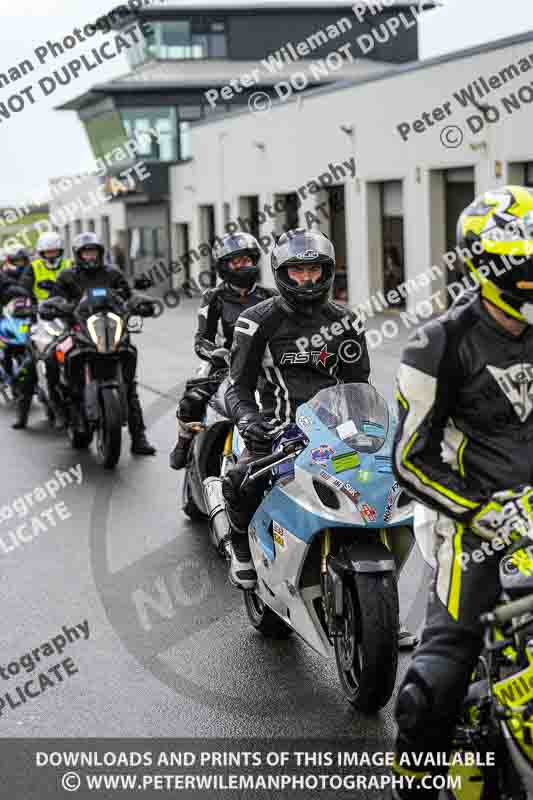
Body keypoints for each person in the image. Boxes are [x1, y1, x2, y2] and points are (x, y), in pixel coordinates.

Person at [389, 185, 533, 798]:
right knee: (436, 683)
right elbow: (408, 460)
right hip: (472, 523)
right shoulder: (438, 343)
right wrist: (481, 511)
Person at [222, 227, 370, 589]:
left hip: (335, 434)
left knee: (382, 488)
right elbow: (237, 387)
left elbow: (361, 387)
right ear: (280, 272)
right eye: (297, 271)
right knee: (239, 480)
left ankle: (383, 600)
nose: (306, 279)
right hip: (276, 429)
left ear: (327, 270)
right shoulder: (257, 320)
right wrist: (248, 419)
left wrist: (373, 427)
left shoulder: (346, 320)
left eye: (314, 270)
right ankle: (241, 547)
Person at [169, 232, 275, 470]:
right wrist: (217, 353)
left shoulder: (270, 296)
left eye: (246, 260)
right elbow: (202, 340)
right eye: (236, 261)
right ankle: (183, 443)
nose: (242, 265)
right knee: (191, 400)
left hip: (264, 365)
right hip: (222, 364)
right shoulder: (213, 297)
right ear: (224, 266)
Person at [46, 231, 156, 455]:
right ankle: (60, 410)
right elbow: (54, 299)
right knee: (50, 357)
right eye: (86, 252)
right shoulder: (67, 276)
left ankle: (139, 437)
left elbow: (128, 295)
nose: (90, 256)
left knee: (129, 384)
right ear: (78, 254)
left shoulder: (113, 273)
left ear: (100, 253)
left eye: (93, 251)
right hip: (78, 330)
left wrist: (139, 304)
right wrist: (54, 306)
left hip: (111, 329)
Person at [20, 232, 72, 301]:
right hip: (41, 307)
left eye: (54, 251)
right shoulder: (33, 267)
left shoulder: (70, 264)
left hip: (67, 304)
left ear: (60, 251)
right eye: (48, 252)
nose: (51, 255)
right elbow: (24, 289)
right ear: (42, 253)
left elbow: (78, 288)